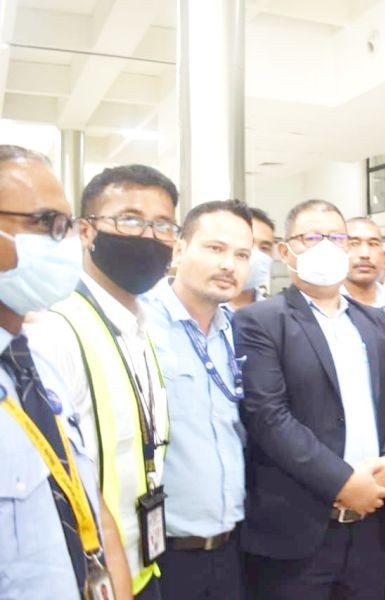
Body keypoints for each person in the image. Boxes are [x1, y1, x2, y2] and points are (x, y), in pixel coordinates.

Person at [235, 199, 385, 600]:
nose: (326, 247)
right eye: (311, 237)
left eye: (337, 238)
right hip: (298, 532)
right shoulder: (261, 321)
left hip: (374, 523)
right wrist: (342, 481)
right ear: (286, 251)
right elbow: (269, 417)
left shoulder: (374, 322)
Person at [27, 164, 179, 600]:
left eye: (163, 224)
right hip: (87, 580)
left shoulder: (139, 326)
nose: (148, 236)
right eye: (129, 219)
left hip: (142, 566)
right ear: (86, 231)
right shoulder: (56, 328)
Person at [0, 145, 132, 599]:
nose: (68, 244)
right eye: (46, 224)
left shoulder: (38, 369)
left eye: (68, 227)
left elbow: (86, 499)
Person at [142, 200, 254, 599]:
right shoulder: (140, 325)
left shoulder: (238, 332)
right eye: (215, 248)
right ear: (178, 249)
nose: (230, 264)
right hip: (163, 552)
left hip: (231, 548)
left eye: (242, 254)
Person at [341, 216, 385, 311]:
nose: (365, 254)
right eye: (354, 244)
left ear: (384, 256)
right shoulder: (319, 305)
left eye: (373, 244)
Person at [229, 206, 276, 311]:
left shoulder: (274, 312)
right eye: (248, 243)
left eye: (264, 248)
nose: (256, 254)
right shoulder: (200, 309)